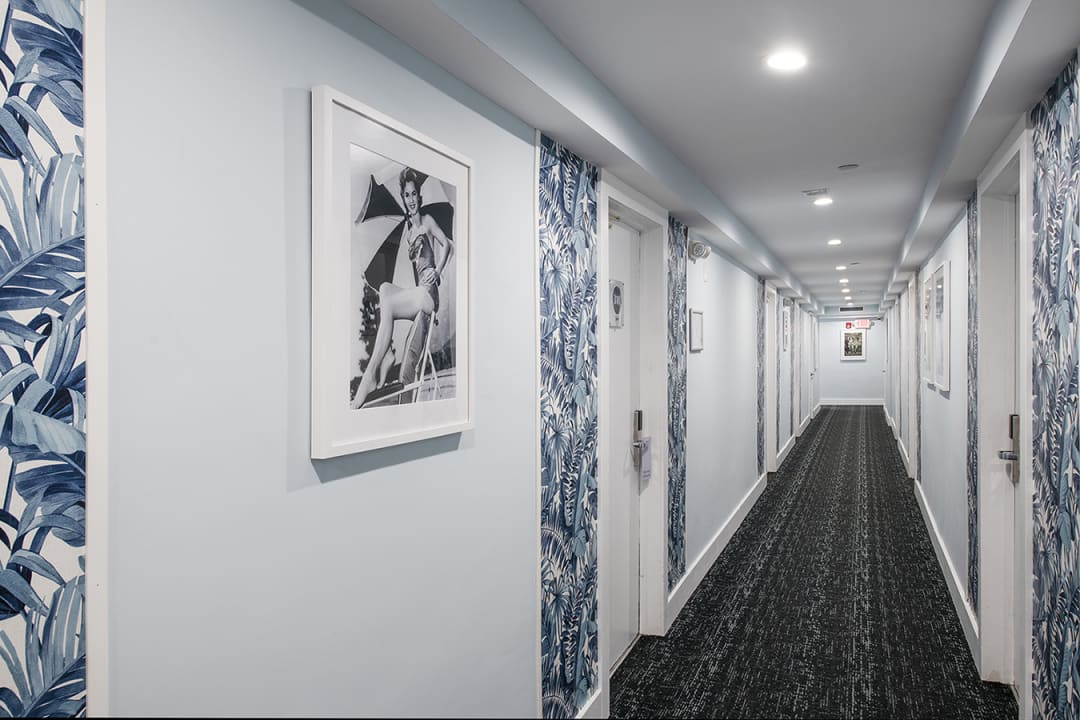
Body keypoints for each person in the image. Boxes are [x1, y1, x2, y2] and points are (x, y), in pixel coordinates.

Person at [353, 167, 454, 407]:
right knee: (385, 289)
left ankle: (373, 372)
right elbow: (417, 271)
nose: (410, 200)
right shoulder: (409, 233)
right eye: (406, 195)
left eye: (413, 194)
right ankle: (382, 358)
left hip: (429, 296)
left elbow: (448, 246)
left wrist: (437, 271)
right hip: (419, 294)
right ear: (403, 198)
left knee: (388, 299)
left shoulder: (427, 222)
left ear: (419, 196)